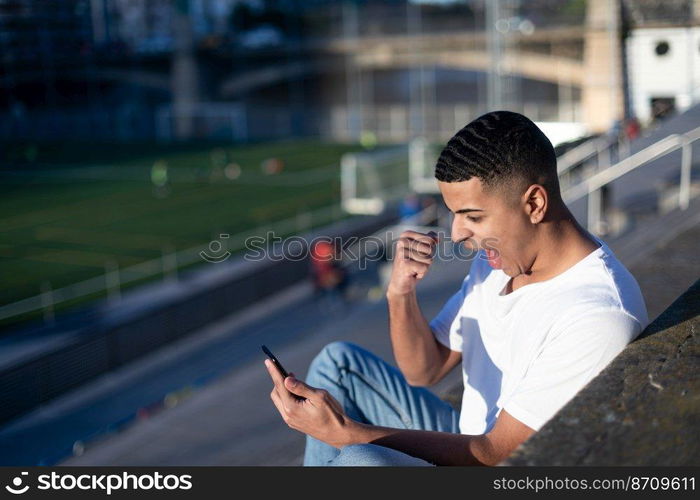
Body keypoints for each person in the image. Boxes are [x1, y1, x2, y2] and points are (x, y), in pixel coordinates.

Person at [264, 111, 649, 466]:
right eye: (455, 214)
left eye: (473, 216)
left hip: (496, 458)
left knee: (359, 459)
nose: (457, 233)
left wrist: (345, 434)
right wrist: (400, 293)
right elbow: (424, 370)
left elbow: (493, 454)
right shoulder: (496, 263)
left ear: (534, 203)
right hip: (467, 435)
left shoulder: (597, 314)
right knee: (338, 364)